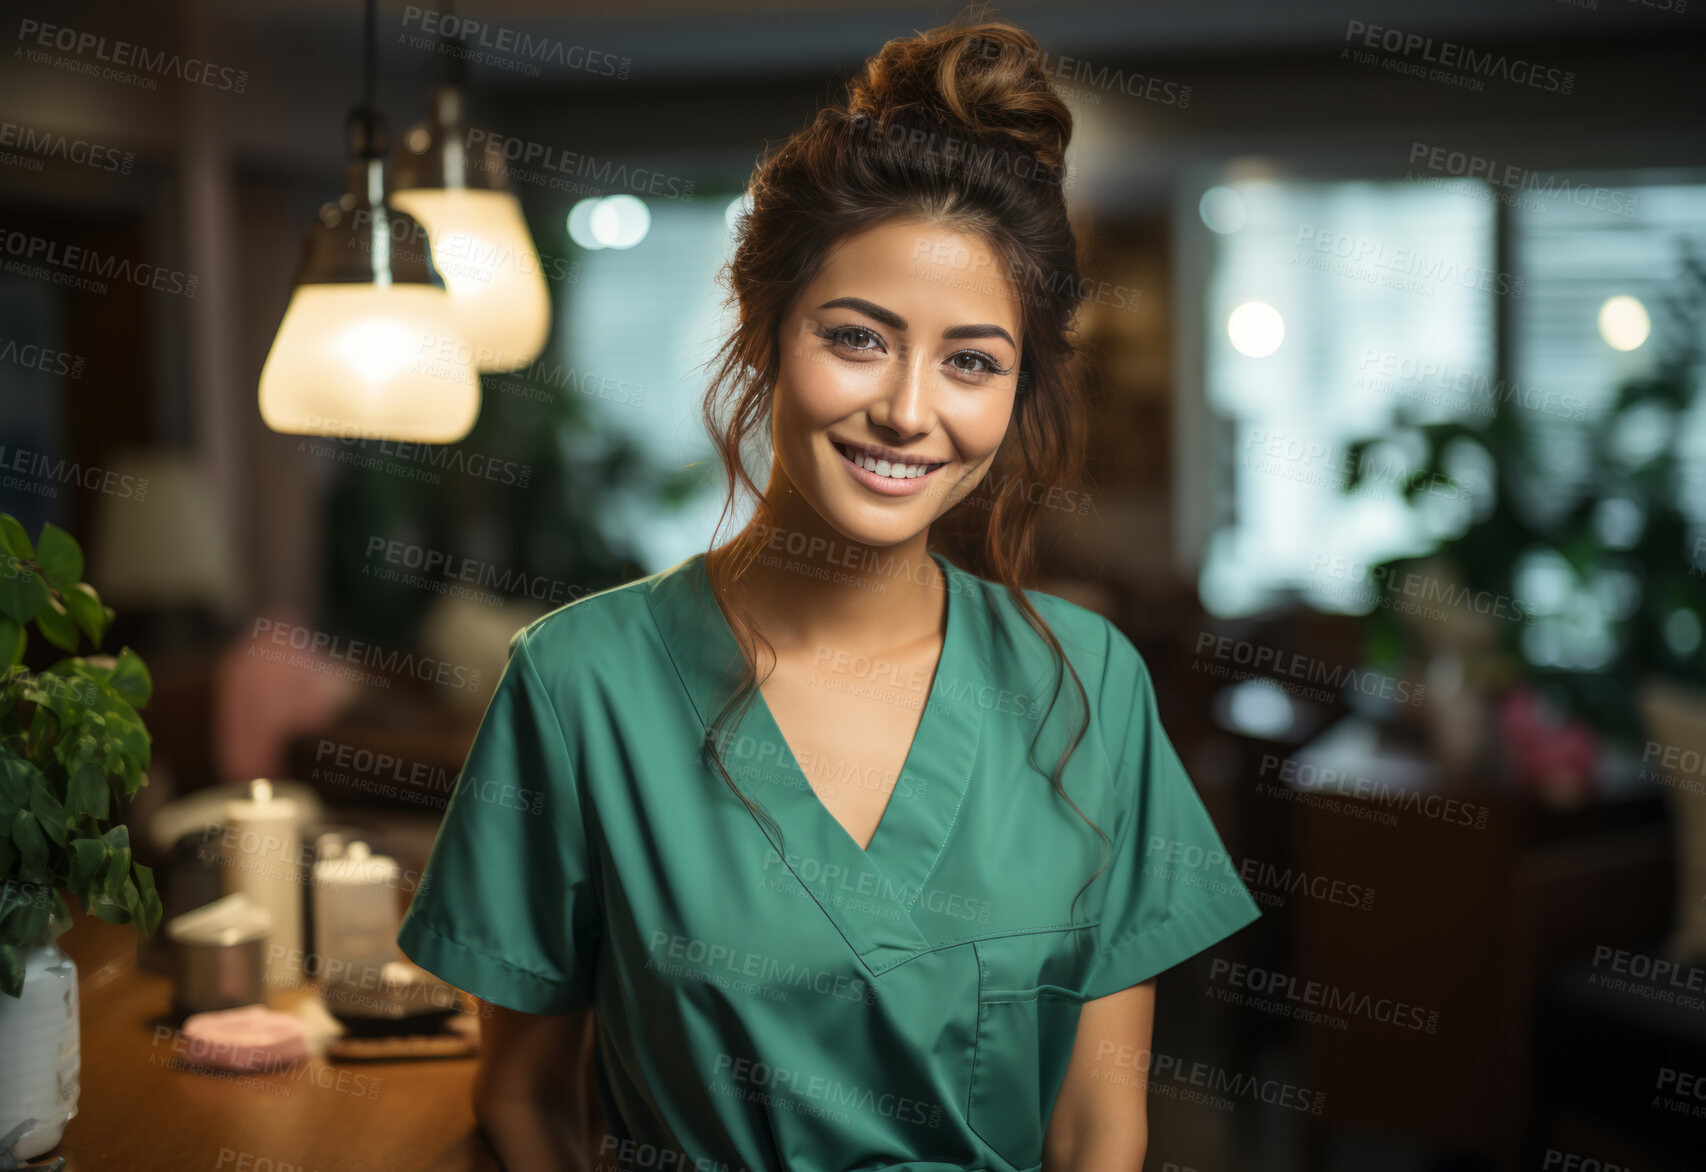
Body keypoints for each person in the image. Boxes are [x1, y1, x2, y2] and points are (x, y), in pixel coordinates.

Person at [396, 14, 1261, 1172]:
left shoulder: (1087, 683)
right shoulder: (577, 684)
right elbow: (522, 1099)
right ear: (761, 332)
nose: (908, 409)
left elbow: (1098, 1131)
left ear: (1017, 387)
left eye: (970, 360)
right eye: (857, 337)